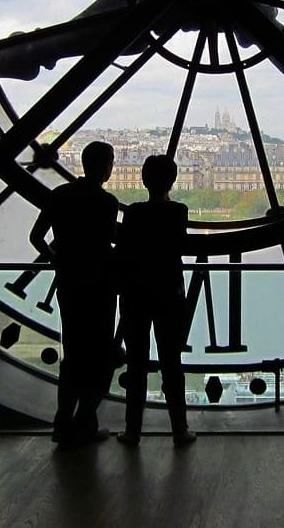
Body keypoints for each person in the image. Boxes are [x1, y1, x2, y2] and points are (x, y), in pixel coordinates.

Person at [30, 141, 119, 449]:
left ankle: (64, 421)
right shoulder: (106, 203)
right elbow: (112, 242)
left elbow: (36, 236)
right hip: (100, 285)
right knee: (101, 357)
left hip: (69, 282)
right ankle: (84, 420)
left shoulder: (60, 196)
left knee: (74, 355)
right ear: (105, 167)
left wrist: (56, 258)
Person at [116, 154, 196, 448]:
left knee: (136, 365)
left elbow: (124, 250)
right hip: (168, 293)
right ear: (172, 181)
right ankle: (179, 428)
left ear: (144, 180)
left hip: (136, 294)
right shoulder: (179, 211)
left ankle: (133, 430)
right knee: (171, 364)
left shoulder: (134, 212)